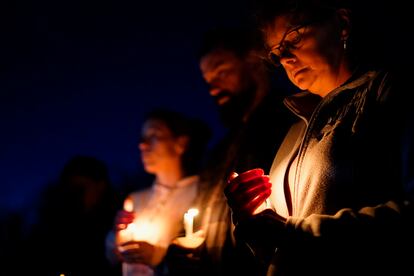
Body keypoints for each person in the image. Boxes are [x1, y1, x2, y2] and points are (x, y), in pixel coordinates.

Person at [224, 0, 414, 275]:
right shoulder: (295, 132)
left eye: (294, 38)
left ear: (343, 25)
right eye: (277, 53)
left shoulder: (387, 93)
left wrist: (293, 233)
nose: (286, 58)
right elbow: (275, 250)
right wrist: (250, 218)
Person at [165, 26, 295, 275]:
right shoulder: (218, 154)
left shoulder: (290, 127)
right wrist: (185, 248)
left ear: (254, 61)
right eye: (208, 81)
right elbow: (203, 220)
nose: (213, 88)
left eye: (222, 72)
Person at [105, 108, 211, 276]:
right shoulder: (135, 199)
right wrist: (117, 236)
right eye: (143, 138)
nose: (143, 145)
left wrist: (158, 256)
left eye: (154, 136)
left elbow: (206, 255)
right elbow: (112, 257)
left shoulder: (202, 194)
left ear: (180, 144)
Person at [25, 155, 121, 275]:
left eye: (81, 188)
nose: (75, 195)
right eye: (70, 189)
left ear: (101, 185)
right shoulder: (58, 222)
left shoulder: (118, 221)